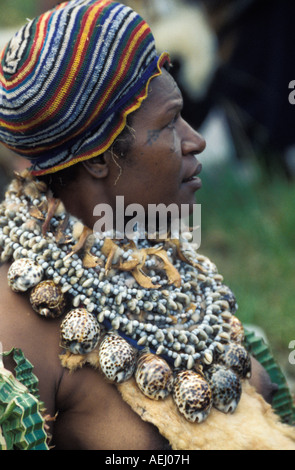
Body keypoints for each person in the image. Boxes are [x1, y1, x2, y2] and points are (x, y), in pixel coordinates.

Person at [0, 0, 293, 451]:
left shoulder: (162, 261)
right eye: (170, 123)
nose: (197, 141)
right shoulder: (17, 330)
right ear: (99, 158)